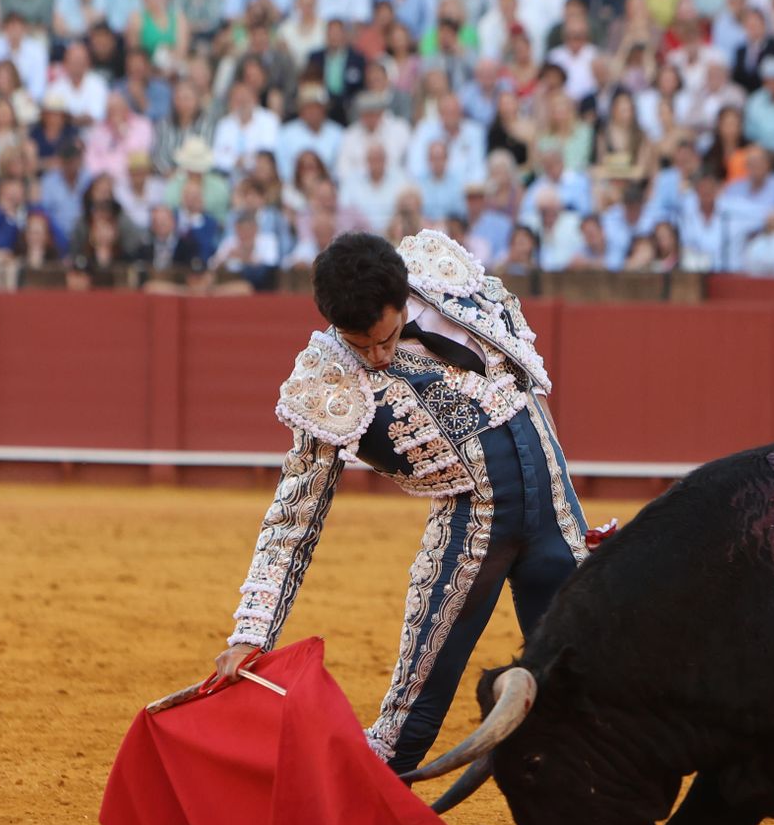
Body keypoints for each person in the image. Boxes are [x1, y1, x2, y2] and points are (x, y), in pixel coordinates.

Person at [213, 230, 591, 777]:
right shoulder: (329, 380)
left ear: (404, 295)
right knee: (405, 728)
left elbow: (525, 382)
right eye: (359, 344)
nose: (377, 355)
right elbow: (295, 515)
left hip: (554, 509)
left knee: (591, 691)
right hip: (473, 530)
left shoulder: (445, 273)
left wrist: (567, 498)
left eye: (385, 337)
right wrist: (252, 632)